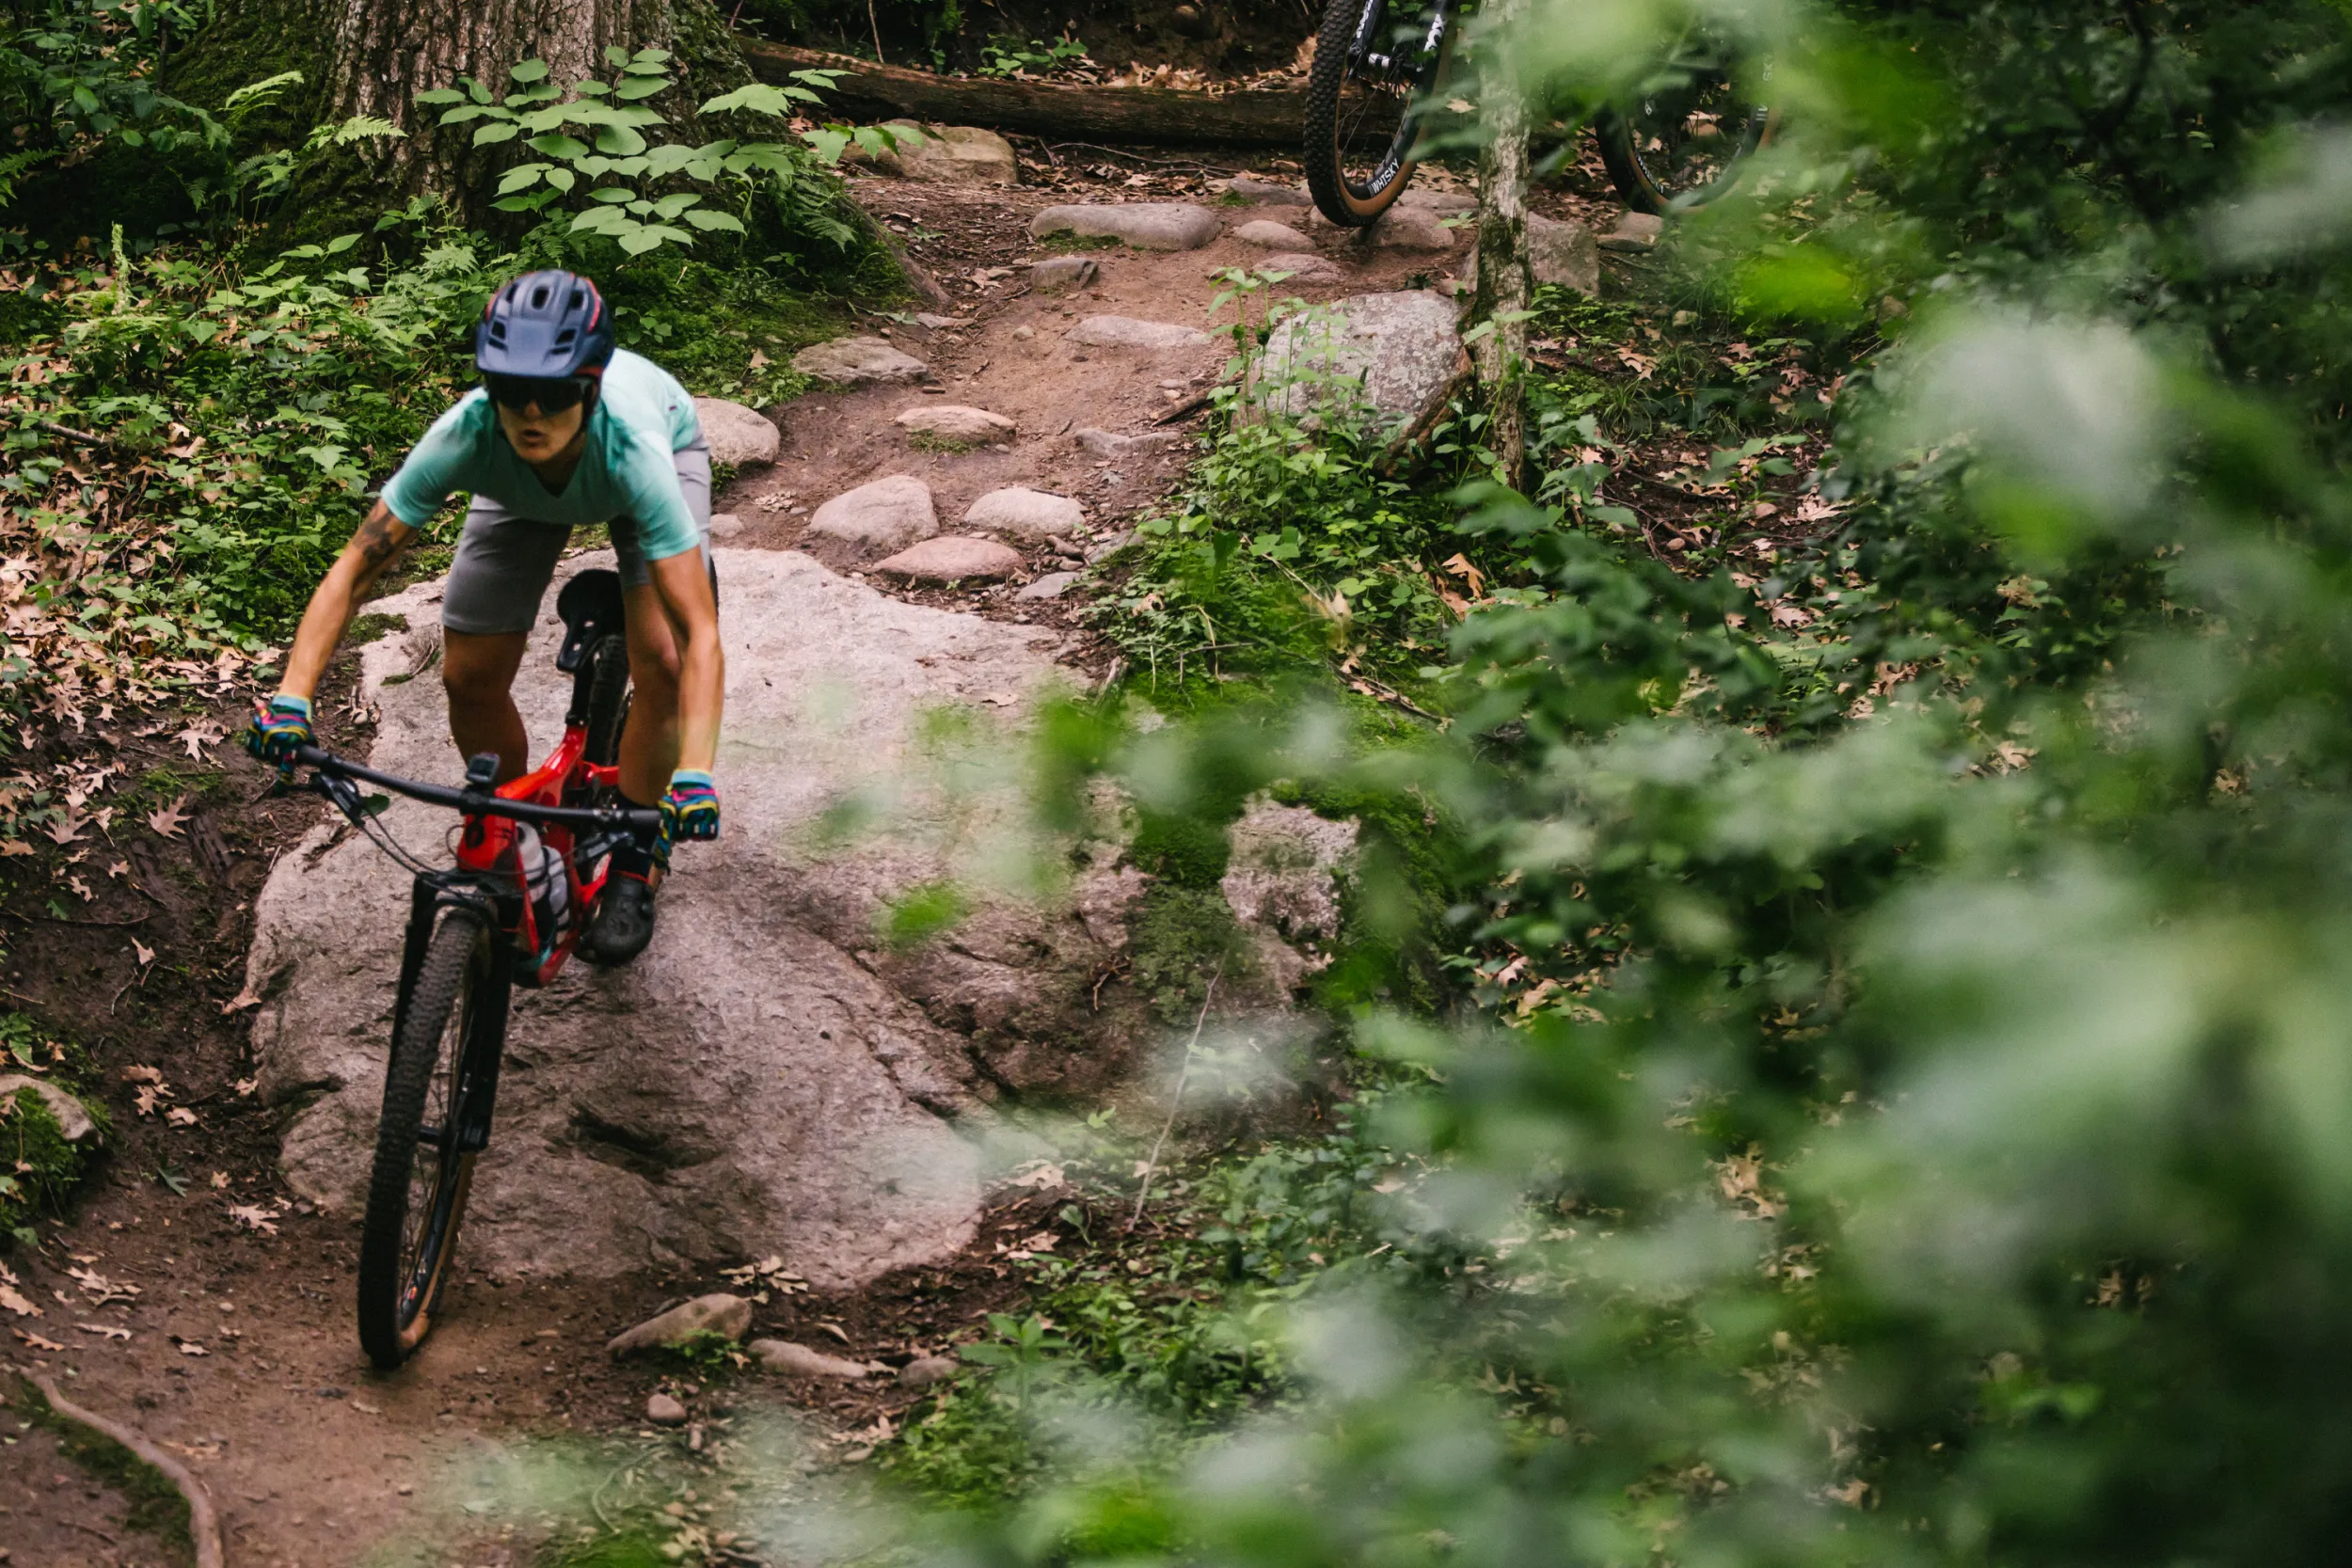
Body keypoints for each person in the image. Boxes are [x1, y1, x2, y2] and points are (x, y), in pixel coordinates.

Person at [243, 268, 724, 965]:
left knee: (664, 659)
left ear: (590, 388)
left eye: (555, 394)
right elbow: (352, 570)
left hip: (651, 459)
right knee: (468, 677)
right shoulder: (468, 434)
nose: (531, 412)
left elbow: (700, 633)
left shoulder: (636, 451)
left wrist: (697, 771)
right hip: (520, 491)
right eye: (508, 392)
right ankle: (513, 831)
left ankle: (635, 853)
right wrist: (292, 697)